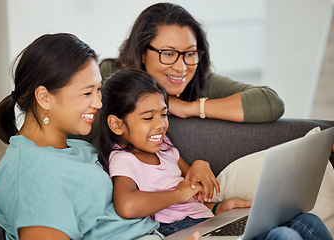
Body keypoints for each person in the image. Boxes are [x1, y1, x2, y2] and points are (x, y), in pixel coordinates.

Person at [0, 33, 201, 240]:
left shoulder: (77, 148)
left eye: (98, 90)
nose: (99, 103)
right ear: (44, 97)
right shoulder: (29, 171)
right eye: (87, 92)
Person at [95, 68, 333, 239]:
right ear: (117, 125)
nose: (160, 125)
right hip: (181, 230)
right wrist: (177, 194)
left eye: (164, 114)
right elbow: (126, 205)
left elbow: (197, 190)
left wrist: (217, 206)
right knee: (283, 236)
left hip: (208, 221)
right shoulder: (123, 159)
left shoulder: (165, 147)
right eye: (148, 117)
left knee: (307, 221)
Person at [99, 2, 284, 123]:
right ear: (142, 54)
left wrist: (191, 108)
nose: (182, 68)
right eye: (169, 54)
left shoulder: (201, 83)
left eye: (189, 53)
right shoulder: (110, 75)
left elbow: (270, 102)